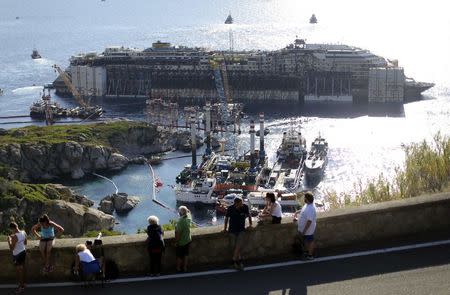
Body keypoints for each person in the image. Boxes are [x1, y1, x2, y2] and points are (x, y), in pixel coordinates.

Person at [223, 195, 252, 270]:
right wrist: (225, 228)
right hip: (232, 230)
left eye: (242, 203)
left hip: (241, 229)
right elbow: (226, 218)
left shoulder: (245, 207)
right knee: (234, 246)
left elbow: (249, 215)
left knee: (238, 245)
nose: (241, 204)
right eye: (240, 203)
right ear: (236, 203)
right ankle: (238, 262)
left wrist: (250, 225)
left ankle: (233, 261)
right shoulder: (230, 208)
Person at [294, 191, 317, 260]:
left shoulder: (311, 209)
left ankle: (310, 255)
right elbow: (304, 210)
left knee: (310, 241)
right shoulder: (308, 205)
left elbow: (309, 221)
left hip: (308, 230)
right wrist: (297, 212)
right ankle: (307, 252)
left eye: (305, 197)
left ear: (307, 199)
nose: (304, 199)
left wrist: (304, 231)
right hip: (304, 229)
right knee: (306, 241)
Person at [8, 222, 27, 294]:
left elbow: (11, 248)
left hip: (17, 255)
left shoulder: (14, 236)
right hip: (23, 252)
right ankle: (24, 284)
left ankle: (21, 287)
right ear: (17, 226)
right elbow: (25, 243)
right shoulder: (23, 232)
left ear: (12, 228)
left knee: (19, 271)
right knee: (23, 269)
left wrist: (9, 240)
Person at [175, 206, 192, 272]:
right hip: (188, 239)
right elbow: (189, 212)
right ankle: (185, 267)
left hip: (181, 242)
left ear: (180, 213)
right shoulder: (189, 217)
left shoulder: (180, 221)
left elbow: (178, 233)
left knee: (179, 256)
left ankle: (178, 268)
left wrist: (176, 242)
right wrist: (186, 210)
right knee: (186, 254)